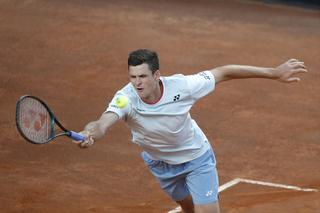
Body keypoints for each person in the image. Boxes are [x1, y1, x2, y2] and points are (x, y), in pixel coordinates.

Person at [74, 49, 307, 213]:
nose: (137, 83)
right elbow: (102, 122)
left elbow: (224, 72)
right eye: (133, 77)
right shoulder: (125, 99)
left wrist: (273, 73)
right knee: (188, 209)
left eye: (143, 76)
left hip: (196, 157)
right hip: (160, 163)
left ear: (156, 75)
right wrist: (90, 133)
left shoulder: (183, 86)